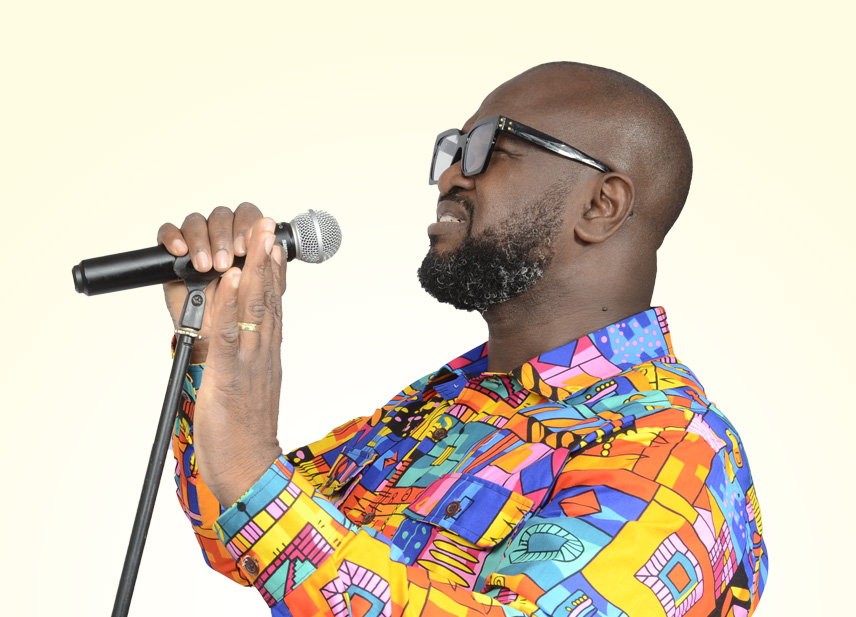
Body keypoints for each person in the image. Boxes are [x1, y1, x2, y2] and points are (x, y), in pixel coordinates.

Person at [160, 62, 767, 616]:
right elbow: (241, 536)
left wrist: (250, 465)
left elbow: (257, 491)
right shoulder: (445, 402)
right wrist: (212, 350)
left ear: (601, 205)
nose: (451, 175)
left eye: (488, 149)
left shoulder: (676, 448)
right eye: (454, 150)